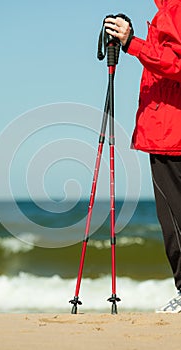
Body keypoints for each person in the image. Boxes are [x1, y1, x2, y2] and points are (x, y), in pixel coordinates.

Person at [104, 0, 181, 313]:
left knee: (174, 219)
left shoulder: (174, 9)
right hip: (166, 128)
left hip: (171, 133)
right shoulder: (167, 10)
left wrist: (132, 43)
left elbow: (176, 64)